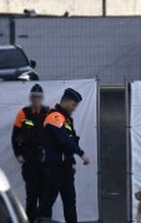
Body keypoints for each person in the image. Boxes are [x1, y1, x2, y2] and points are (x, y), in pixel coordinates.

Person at [39, 88, 91, 223]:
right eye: (73, 105)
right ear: (66, 101)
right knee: (47, 203)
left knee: (70, 203)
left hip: (66, 168)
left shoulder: (67, 120)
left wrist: (72, 161)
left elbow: (69, 142)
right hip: (53, 168)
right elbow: (63, 139)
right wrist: (81, 153)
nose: (74, 108)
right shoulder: (55, 116)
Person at [12, 84, 50, 216]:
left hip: (45, 161)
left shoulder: (48, 112)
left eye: (39, 97)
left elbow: (56, 135)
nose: (36, 100)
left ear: (42, 98)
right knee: (32, 197)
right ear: (30, 98)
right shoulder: (23, 113)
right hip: (30, 160)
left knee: (45, 198)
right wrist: (18, 154)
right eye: (34, 97)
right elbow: (15, 136)